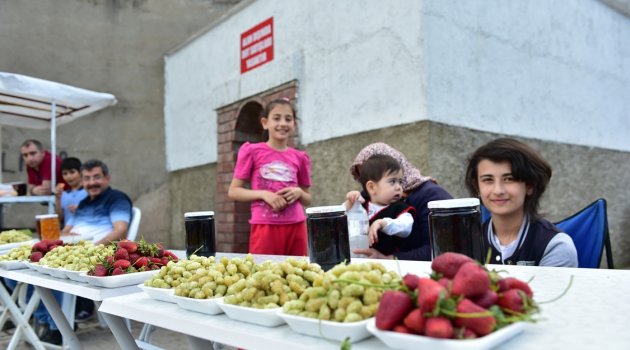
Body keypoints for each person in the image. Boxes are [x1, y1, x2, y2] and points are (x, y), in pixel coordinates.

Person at [464, 138, 578, 267]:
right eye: (488, 180)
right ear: (476, 187)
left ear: (530, 185)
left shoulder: (555, 246)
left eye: (509, 179)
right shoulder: (467, 243)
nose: (498, 190)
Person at [228, 98, 312, 256]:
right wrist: (263, 194)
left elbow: (308, 199)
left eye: (288, 119)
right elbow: (233, 191)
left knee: (297, 274)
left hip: (297, 225)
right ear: (265, 123)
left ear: (294, 124)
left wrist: (299, 193)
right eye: (276, 118)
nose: (283, 123)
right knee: (265, 275)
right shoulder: (252, 151)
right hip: (265, 226)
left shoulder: (300, 157)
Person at [350, 143, 452, 260]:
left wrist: (388, 258)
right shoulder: (370, 196)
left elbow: (441, 249)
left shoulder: (431, 195)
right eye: (363, 177)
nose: (368, 184)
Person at [344, 154, 415, 256]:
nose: (399, 187)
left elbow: (405, 227)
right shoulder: (361, 204)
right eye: (392, 181)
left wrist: (383, 223)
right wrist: (350, 203)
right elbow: (338, 217)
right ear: (372, 187)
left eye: (400, 182)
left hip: (387, 264)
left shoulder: (400, 208)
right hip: (357, 260)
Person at [61, 159, 132, 245]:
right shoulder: (83, 203)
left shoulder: (117, 198)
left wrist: (94, 249)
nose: (92, 183)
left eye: (97, 177)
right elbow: (64, 232)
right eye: (87, 179)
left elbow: (121, 232)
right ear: (82, 182)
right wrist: (69, 236)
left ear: (107, 178)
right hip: (72, 250)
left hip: (96, 253)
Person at [54, 157, 87, 225]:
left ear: (81, 172)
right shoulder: (64, 194)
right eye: (65, 173)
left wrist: (80, 210)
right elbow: (59, 218)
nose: (68, 176)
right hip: (68, 232)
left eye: (72, 172)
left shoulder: (88, 191)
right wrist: (58, 199)